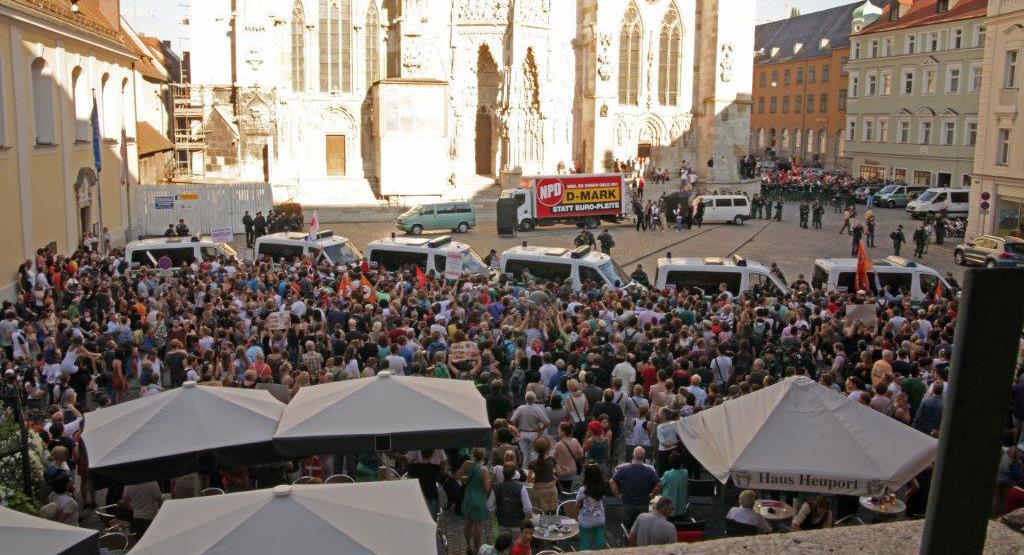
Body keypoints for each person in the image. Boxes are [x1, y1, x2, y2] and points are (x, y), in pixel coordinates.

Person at [611, 447, 660, 529]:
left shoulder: (624, 469)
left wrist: (618, 495)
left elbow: (612, 481)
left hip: (628, 503)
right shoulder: (649, 470)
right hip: (643, 503)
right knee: (642, 527)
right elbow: (659, 484)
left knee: (627, 528)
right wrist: (652, 495)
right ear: (644, 457)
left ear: (633, 455)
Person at [456, 448, 493, 555]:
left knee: (468, 524)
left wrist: (465, 478)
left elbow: (457, 476)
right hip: (480, 501)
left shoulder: (467, 463)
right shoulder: (484, 470)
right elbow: (486, 488)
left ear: (473, 455)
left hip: (468, 498)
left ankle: (468, 545)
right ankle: (476, 549)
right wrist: (492, 481)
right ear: (483, 457)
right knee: (478, 527)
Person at [488, 462, 532, 537]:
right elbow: (528, 509)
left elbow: (490, 506)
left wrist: (497, 514)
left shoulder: (496, 487)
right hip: (517, 525)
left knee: (504, 547)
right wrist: (525, 520)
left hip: (502, 525)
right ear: (514, 474)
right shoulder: (521, 488)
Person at [510, 392, 549, 469]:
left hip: (522, 433)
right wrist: (541, 429)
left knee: (524, 454)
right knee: (533, 453)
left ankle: (524, 471)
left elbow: (512, 420)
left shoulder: (520, 408)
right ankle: (532, 470)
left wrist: (515, 430)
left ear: (525, 399)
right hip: (534, 433)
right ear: (534, 399)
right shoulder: (537, 409)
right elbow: (547, 422)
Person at [576, 463, 608, 550]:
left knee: (585, 544)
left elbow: (577, 503)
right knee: (600, 543)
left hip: (585, 521)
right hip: (599, 519)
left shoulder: (583, 489)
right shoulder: (602, 487)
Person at [652, 451, 689, 520]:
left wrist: (652, 496)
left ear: (670, 462)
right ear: (681, 462)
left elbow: (658, 486)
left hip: (668, 510)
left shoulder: (667, 474)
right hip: (682, 509)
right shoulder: (685, 473)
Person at [527, 437, 559, 513]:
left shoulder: (532, 463)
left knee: (540, 512)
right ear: (548, 448)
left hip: (539, 490)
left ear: (535, 449)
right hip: (551, 489)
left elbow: (529, 479)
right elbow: (559, 472)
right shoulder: (552, 460)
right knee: (553, 512)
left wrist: (535, 477)